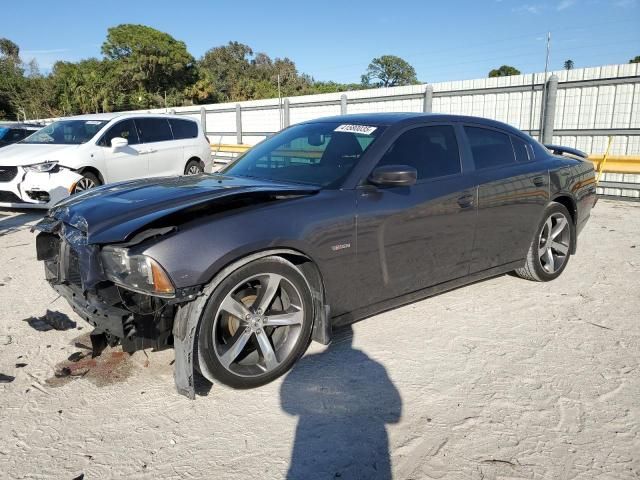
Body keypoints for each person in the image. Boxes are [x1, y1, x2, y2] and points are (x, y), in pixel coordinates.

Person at [280, 325, 402, 480]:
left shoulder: (306, 362)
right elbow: (395, 415)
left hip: (312, 451)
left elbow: (287, 407)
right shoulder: (374, 366)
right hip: (362, 451)